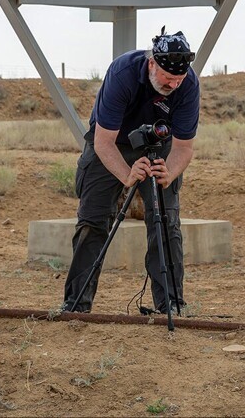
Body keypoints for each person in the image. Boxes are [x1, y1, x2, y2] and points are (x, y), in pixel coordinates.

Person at [62, 27, 200, 314]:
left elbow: (184, 147)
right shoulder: (123, 72)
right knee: (93, 220)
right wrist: (127, 175)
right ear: (152, 63)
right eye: (167, 77)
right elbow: (103, 141)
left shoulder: (188, 85)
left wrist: (168, 172)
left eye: (179, 79)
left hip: (158, 144)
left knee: (165, 221)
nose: (173, 85)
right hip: (112, 142)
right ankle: (76, 305)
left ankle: (171, 306)